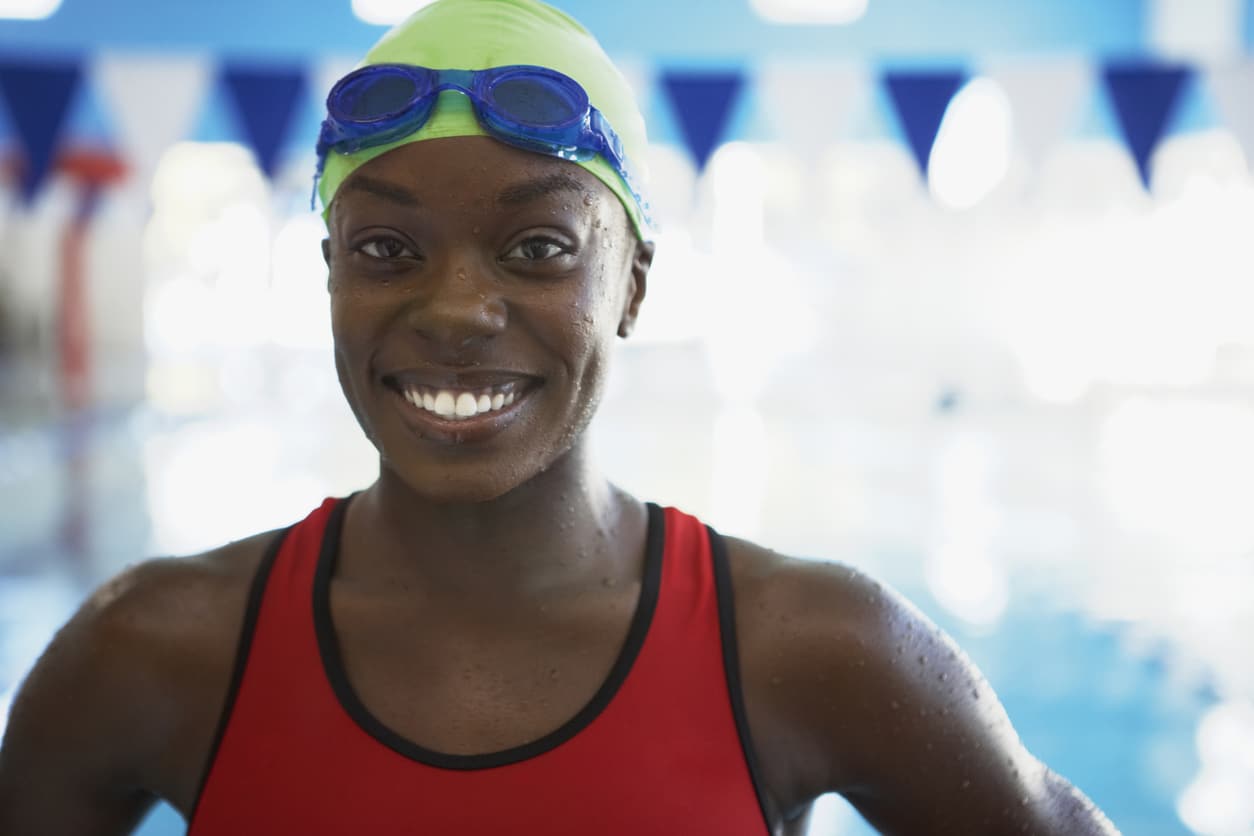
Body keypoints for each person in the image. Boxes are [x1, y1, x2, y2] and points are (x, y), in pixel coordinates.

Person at [0, 1, 1120, 833]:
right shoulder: (153, 648)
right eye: (387, 249)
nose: (455, 310)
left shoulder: (811, 646)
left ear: (632, 283)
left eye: (538, 248)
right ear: (330, 274)